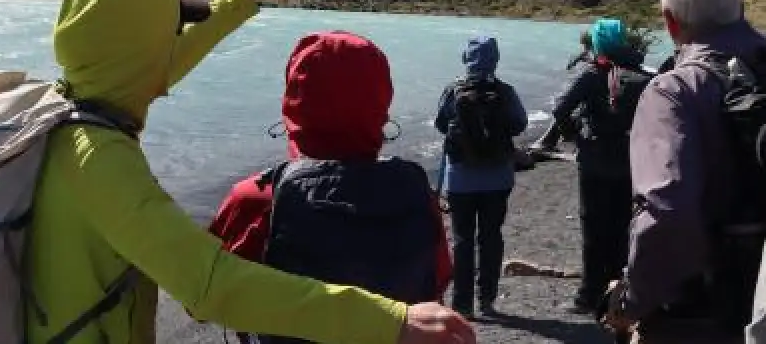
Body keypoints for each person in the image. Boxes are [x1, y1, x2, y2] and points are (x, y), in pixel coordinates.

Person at [26, 0, 476, 344]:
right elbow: (209, 286)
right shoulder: (99, 160)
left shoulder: (69, 101)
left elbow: (161, 60)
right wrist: (388, 323)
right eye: (173, 31)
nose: (180, 43)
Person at [208, 31, 453, 341]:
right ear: (381, 103)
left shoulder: (257, 199)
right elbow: (438, 281)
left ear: (294, 103)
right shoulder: (417, 194)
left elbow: (204, 299)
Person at [599, 0, 766, 344]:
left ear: (671, 22)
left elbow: (666, 211)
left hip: (707, 311)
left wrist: (633, 300)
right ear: (740, 10)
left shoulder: (673, 92)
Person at [533, 17, 651, 314]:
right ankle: (618, 293)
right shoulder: (641, 76)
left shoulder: (591, 75)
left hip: (594, 163)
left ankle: (588, 296)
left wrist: (575, 137)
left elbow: (560, 109)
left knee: (593, 229)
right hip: (628, 163)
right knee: (622, 226)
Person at [435, 35, 528, 317]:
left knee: (463, 239)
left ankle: (463, 304)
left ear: (466, 59)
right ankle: (487, 298)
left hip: (461, 178)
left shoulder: (453, 90)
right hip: (498, 178)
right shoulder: (506, 91)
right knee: (491, 236)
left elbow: (441, 124)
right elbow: (520, 124)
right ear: (495, 59)